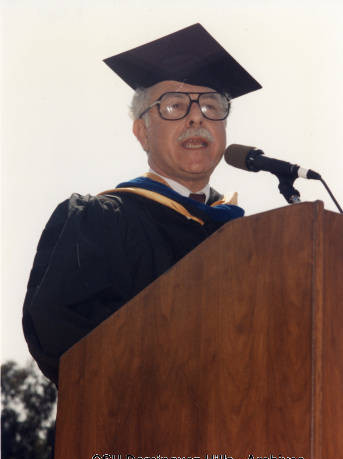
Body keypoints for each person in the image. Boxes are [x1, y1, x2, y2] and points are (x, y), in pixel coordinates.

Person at [22, 24, 261, 386]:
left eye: (212, 106)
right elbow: (60, 337)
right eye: (174, 106)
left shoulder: (252, 241)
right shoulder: (99, 223)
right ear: (142, 132)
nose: (197, 117)